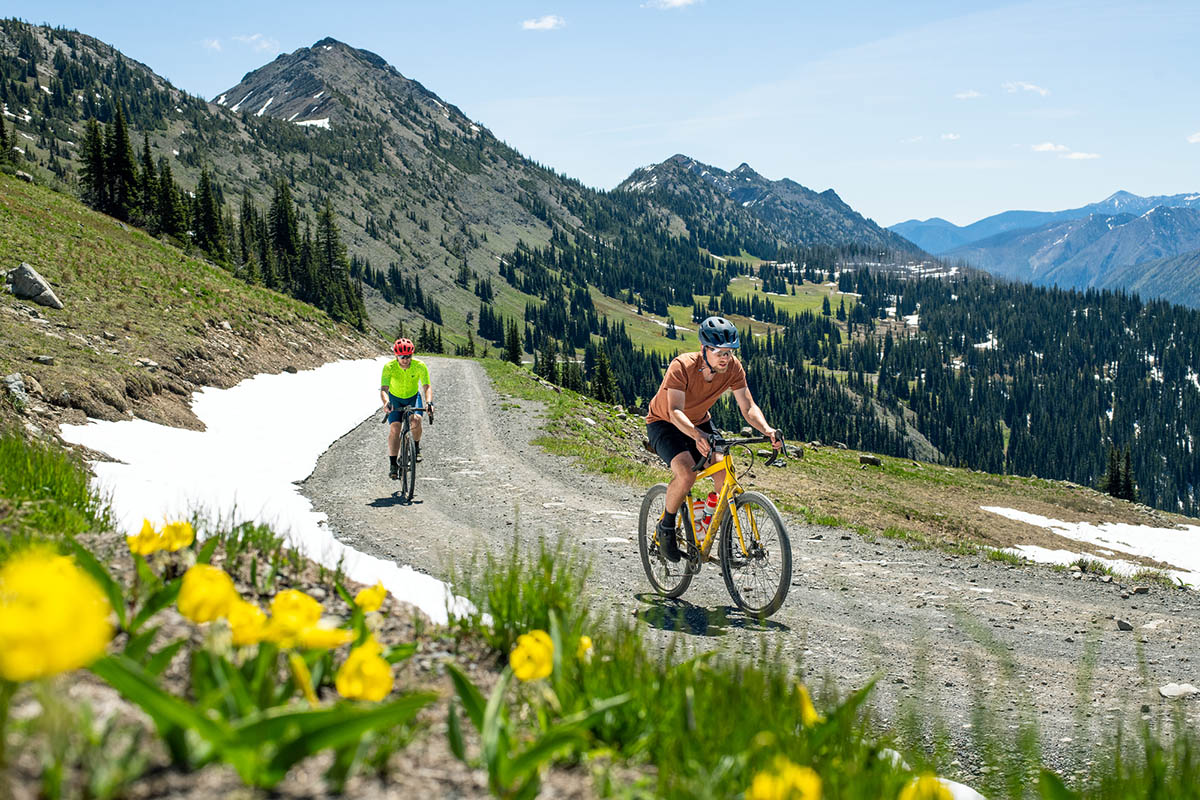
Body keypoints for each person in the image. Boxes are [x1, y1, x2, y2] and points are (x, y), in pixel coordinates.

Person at [644, 316, 781, 562]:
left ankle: (715, 529)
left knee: (722, 472)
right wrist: (696, 435)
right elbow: (674, 411)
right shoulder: (681, 366)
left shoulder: (733, 368)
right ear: (703, 349)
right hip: (664, 423)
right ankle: (666, 527)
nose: (724, 358)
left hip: (700, 422)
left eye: (729, 352)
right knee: (687, 474)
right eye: (718, 352)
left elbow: (748, 406)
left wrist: (767, 430)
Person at [380, 338, 434, 479]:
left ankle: (415, 448)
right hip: (395, 399)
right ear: (396, 356)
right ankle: (393, 464)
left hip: (412, 397)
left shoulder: (419, 366)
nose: (405, 359)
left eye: (408, 356)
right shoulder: (389, 367)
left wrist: (429, 403)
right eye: (402, 357)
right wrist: (386, 402)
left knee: (415, 421)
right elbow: (384, 389)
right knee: (395, 428)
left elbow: (426, 386)